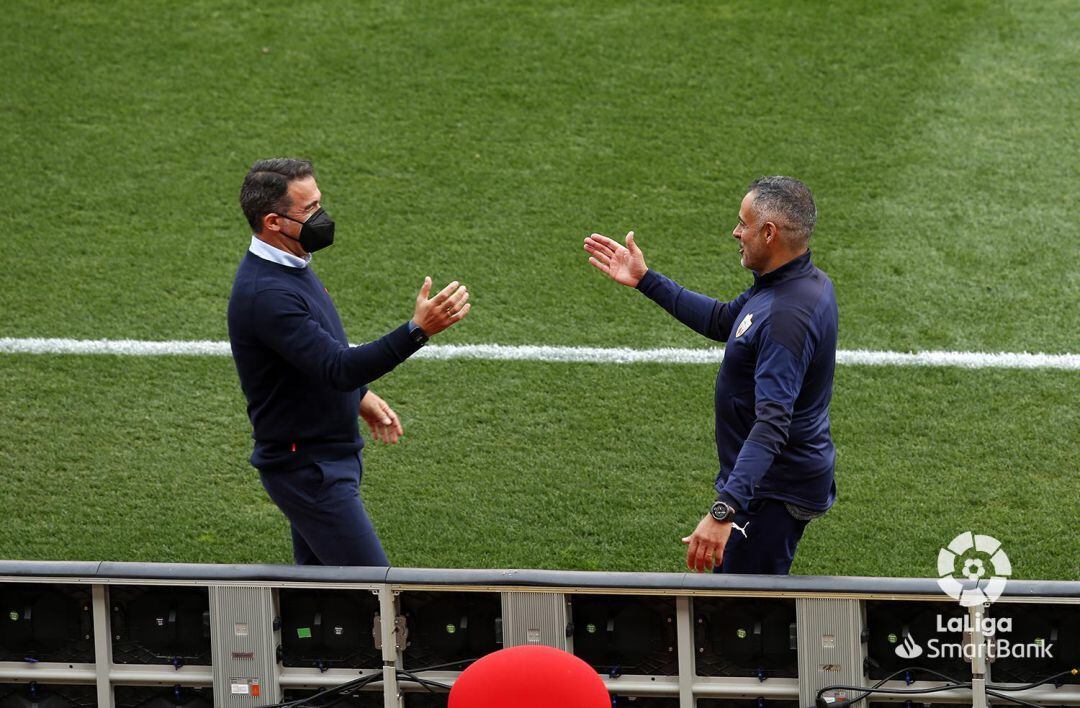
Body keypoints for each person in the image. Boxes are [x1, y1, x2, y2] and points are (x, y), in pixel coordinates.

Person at [583, 176, 837, 575]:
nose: (736, 232)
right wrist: (646, 280)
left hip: (770, 490)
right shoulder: (790, 283)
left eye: (743, 223)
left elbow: (772, 424)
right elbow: (725, 321)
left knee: (743, 612)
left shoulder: (788, 318)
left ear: (769, 233)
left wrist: (724, 510)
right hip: (764, 481)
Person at [228, 158, 471, 566]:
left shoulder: (291, 264)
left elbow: (311, 356)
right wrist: (417, 330)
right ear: (272, 222)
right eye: (308, 211)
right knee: (377, 589)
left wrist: (360, 396)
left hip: (323, 458)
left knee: (323, 605)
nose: (321, 217)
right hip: (308, 470)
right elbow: (338, 367)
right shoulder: (266, 294)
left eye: (319, 202)